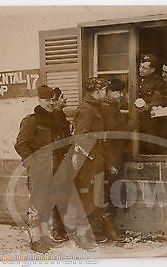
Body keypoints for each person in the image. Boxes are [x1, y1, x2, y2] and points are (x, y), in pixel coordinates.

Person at [14, 85, 71, 253]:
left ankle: (46, 238)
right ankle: (35, 240)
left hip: (55, 169)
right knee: (37, 207)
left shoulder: (55, 119)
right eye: (46, 100)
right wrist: (33, 163)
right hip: (40, 170)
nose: (50, 103)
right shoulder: (32, 121)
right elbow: (21, 144)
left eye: (53, 100)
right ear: (39, 100)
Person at [69, 77, 112, 249]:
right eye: (105, 90)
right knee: (88, 198)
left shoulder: (94, 107)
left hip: (94, 158)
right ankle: (83, 238)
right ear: (98, 90)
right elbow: (81, 136)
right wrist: (92, 156)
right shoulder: (87, 109)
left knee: (94, 196)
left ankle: (94, 234)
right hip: (88, 161)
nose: (106, 93)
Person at [100, 78, 137, 241]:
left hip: (115, 156)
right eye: (117, 92)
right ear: (108, 92)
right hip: (110, 157)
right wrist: (131, 125)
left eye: (121, 92)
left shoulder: (112, 107)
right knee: (110, 194)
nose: (121, 95)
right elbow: (114, 135)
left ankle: (109, 229)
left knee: (113, 193)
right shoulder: (107, 108)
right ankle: (109, 231)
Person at [137, 53, 164, 154]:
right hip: (135, 117)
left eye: (145, 68)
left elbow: (158, 100)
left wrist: (147, 106)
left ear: (152, 70)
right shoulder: (135, 79)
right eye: (140, 66)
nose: (141, 69)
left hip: (149, 119)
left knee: (149, 146)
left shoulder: (158, 82)